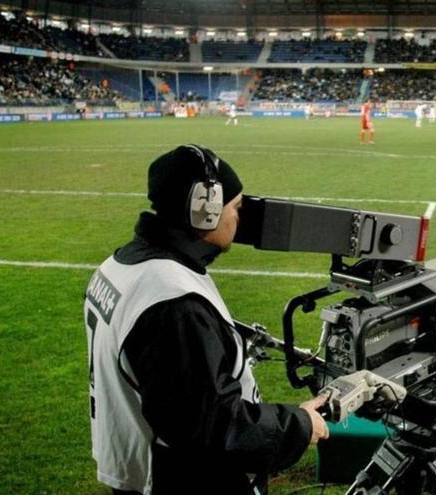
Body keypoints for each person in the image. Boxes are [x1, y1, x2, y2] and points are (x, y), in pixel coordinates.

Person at [83, 145, 328, 495]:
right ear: (205, 210)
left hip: (138, 465)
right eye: (236, 208)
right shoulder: (173, 303)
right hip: (178, 480)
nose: (239, 220)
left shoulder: (121, 264)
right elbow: (212, 424)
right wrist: (300, 425)